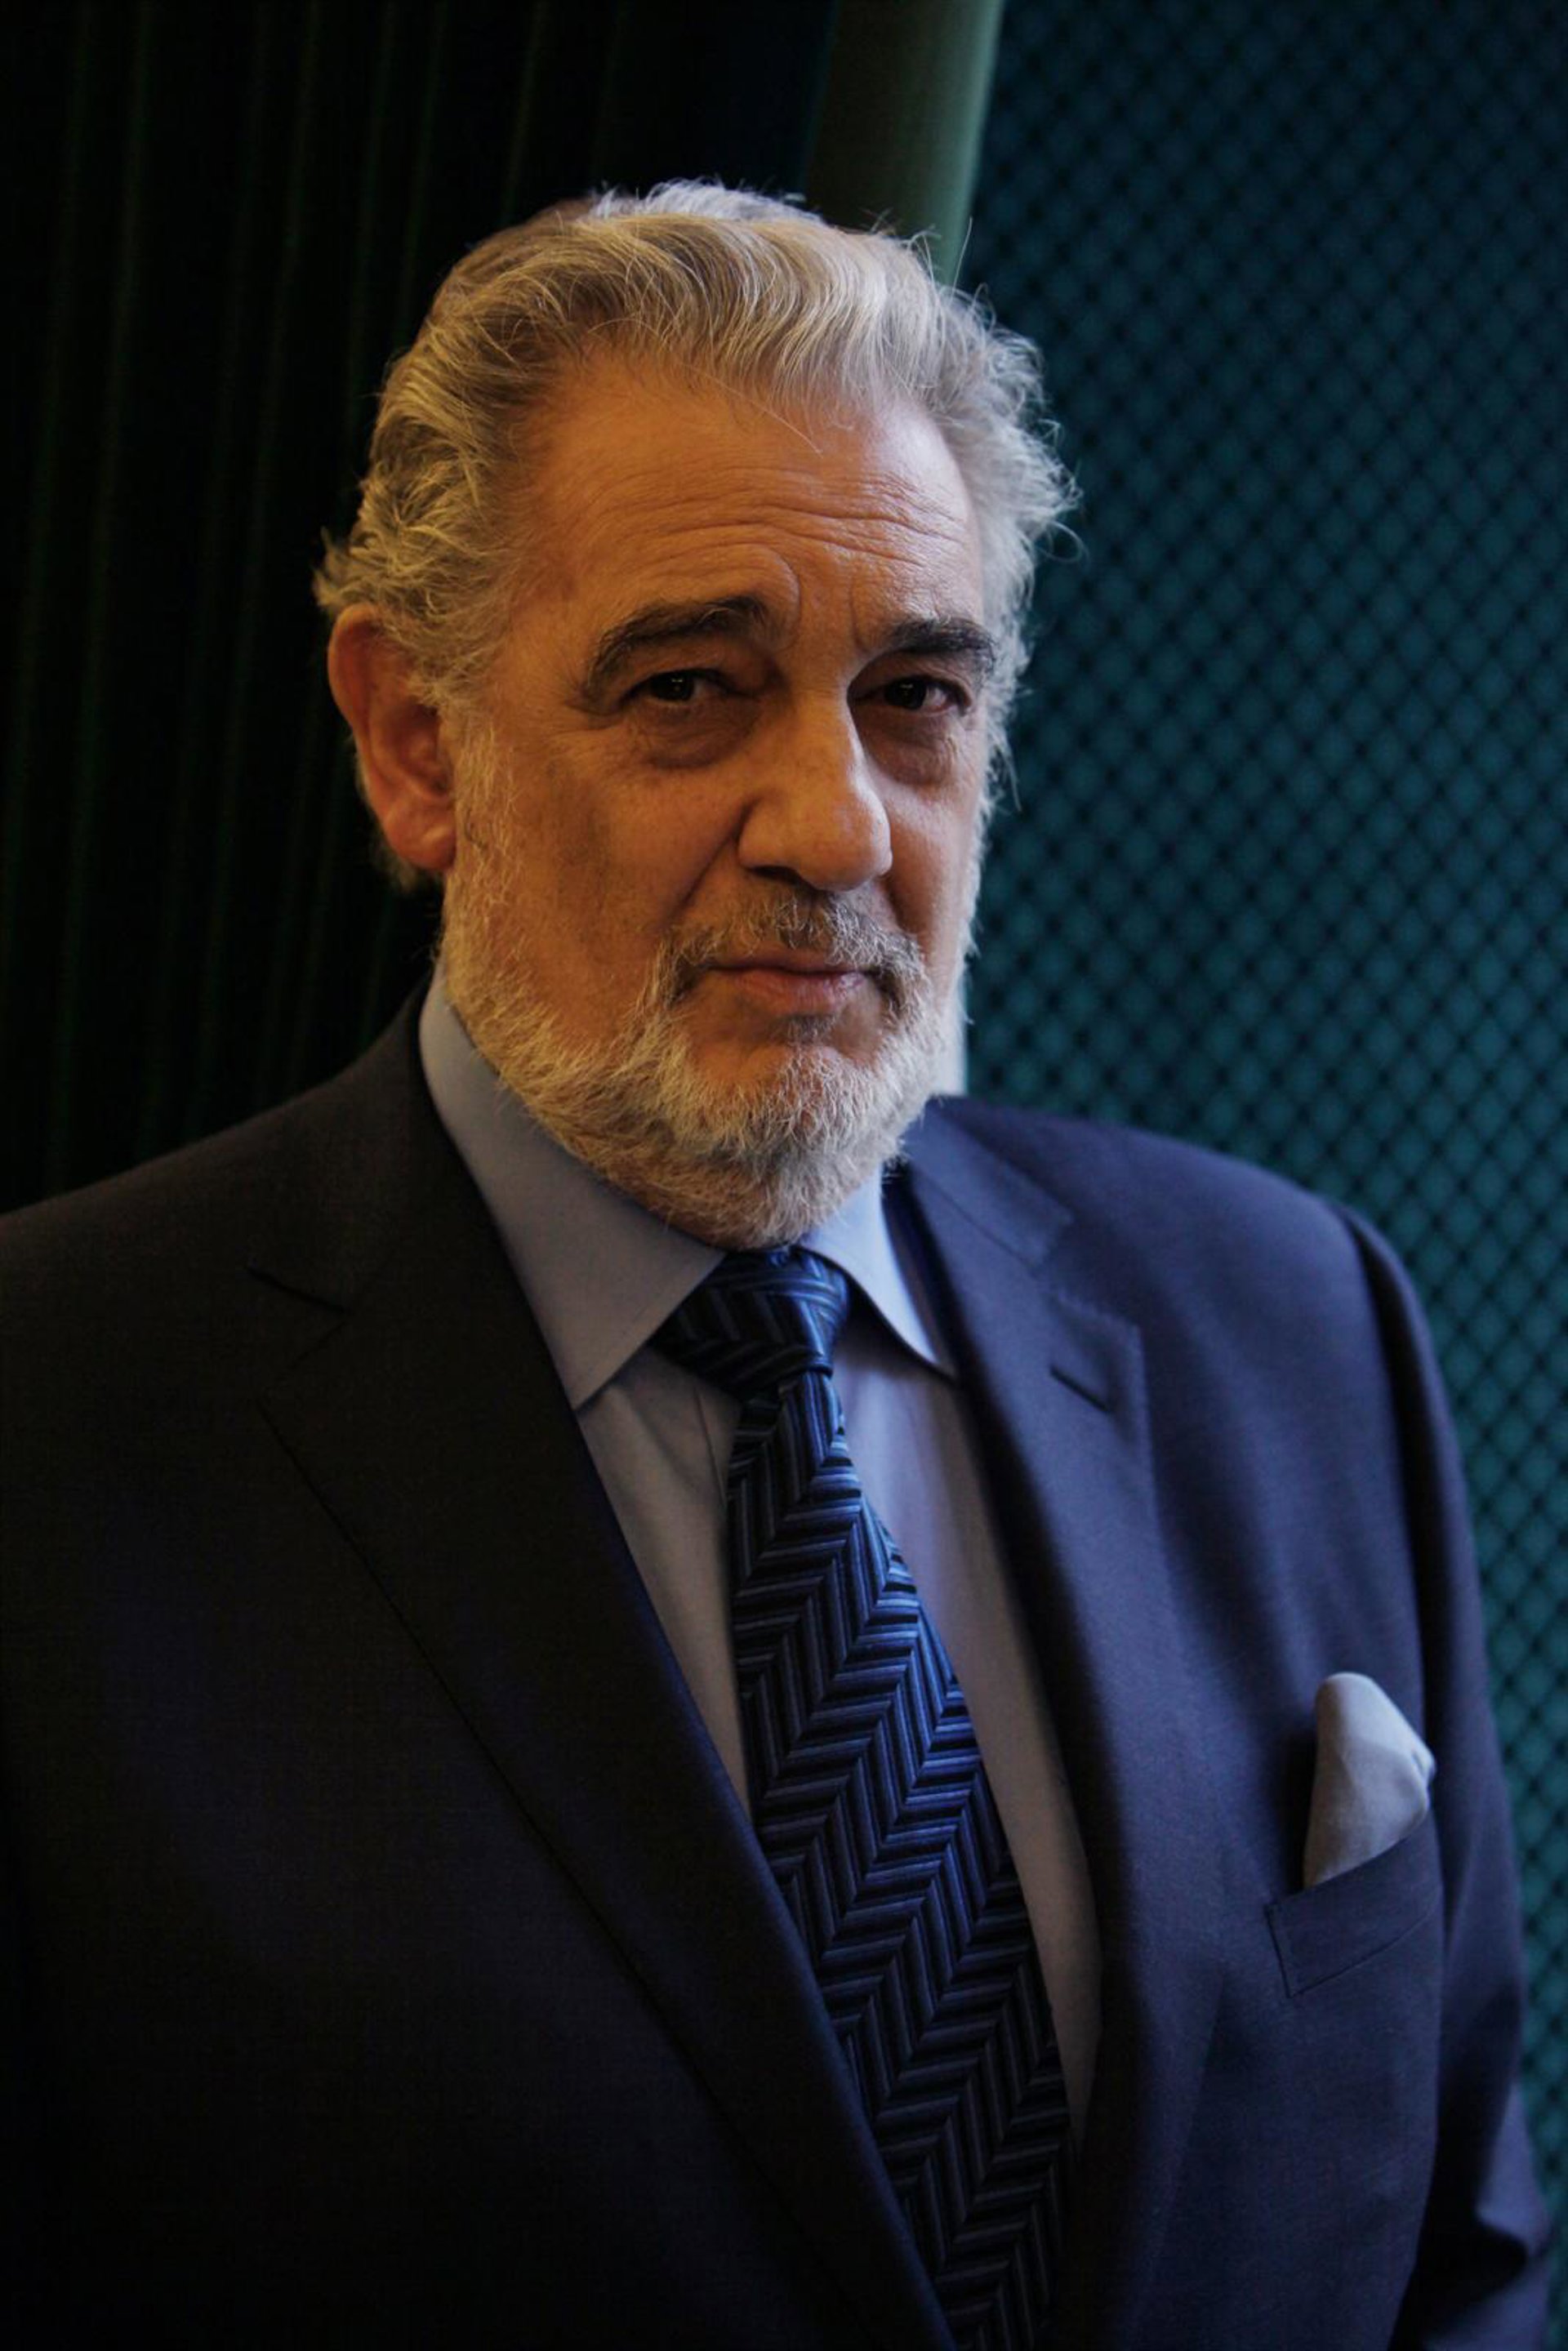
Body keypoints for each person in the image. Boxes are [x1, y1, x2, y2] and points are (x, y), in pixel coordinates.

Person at [0, 184, 1549, 2349]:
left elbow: (1463, 2260)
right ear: (415, 740)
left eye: (914, 695)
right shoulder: (53, 1416)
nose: (836, 826)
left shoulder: (1298, 1324)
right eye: (690, 689)